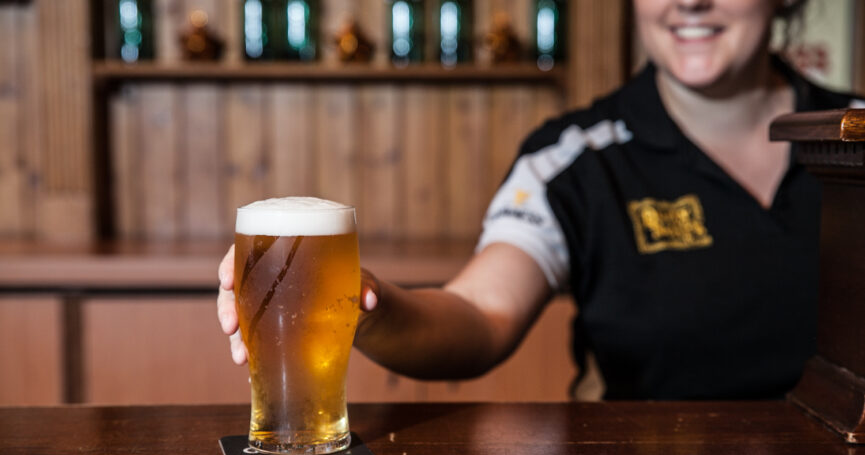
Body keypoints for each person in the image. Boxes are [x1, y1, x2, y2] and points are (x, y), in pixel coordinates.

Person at [218, 0, 864, 400]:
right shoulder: (572, 156)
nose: (687, 1)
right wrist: (366, 304)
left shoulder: (856, 134)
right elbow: (477, 313)